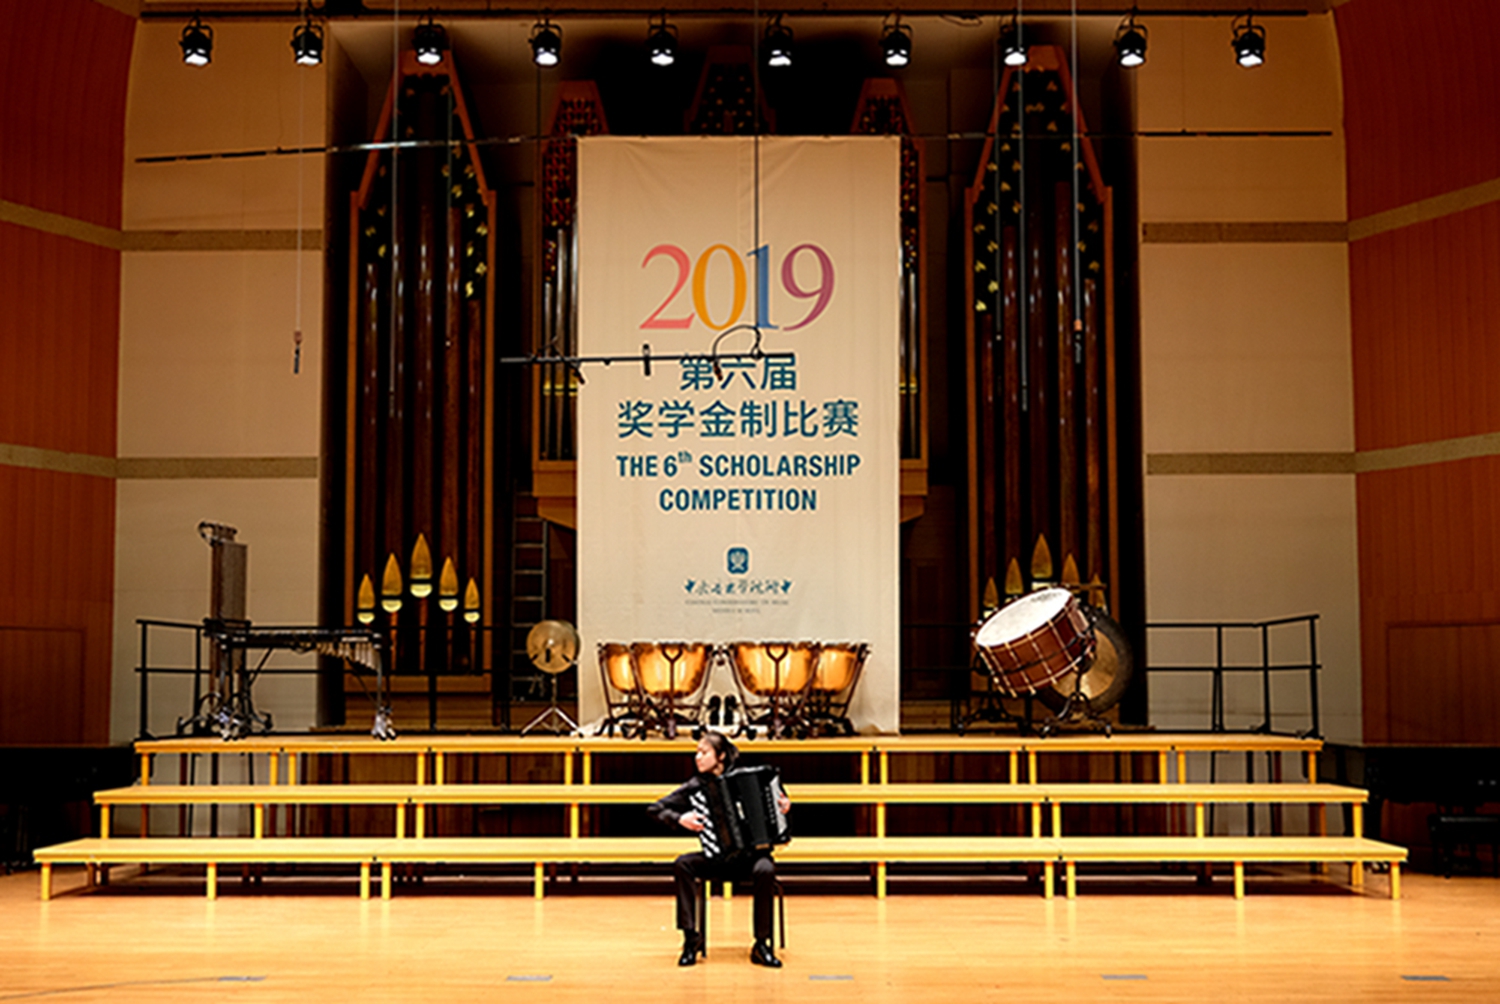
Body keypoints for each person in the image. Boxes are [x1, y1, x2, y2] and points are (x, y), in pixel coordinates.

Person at [647, 732, 791, 968]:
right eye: (696, 752)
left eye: (704, 752)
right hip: (718, 859)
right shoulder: (696, 786)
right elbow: (655, 809)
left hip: (751, 859)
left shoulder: (751, 778)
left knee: (765, 869)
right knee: (683, 864)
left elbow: (778, 806)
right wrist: (680, 818)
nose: (697, 757)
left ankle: (762, 944)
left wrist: (784, 806)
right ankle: (691, 939)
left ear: (720, 756)